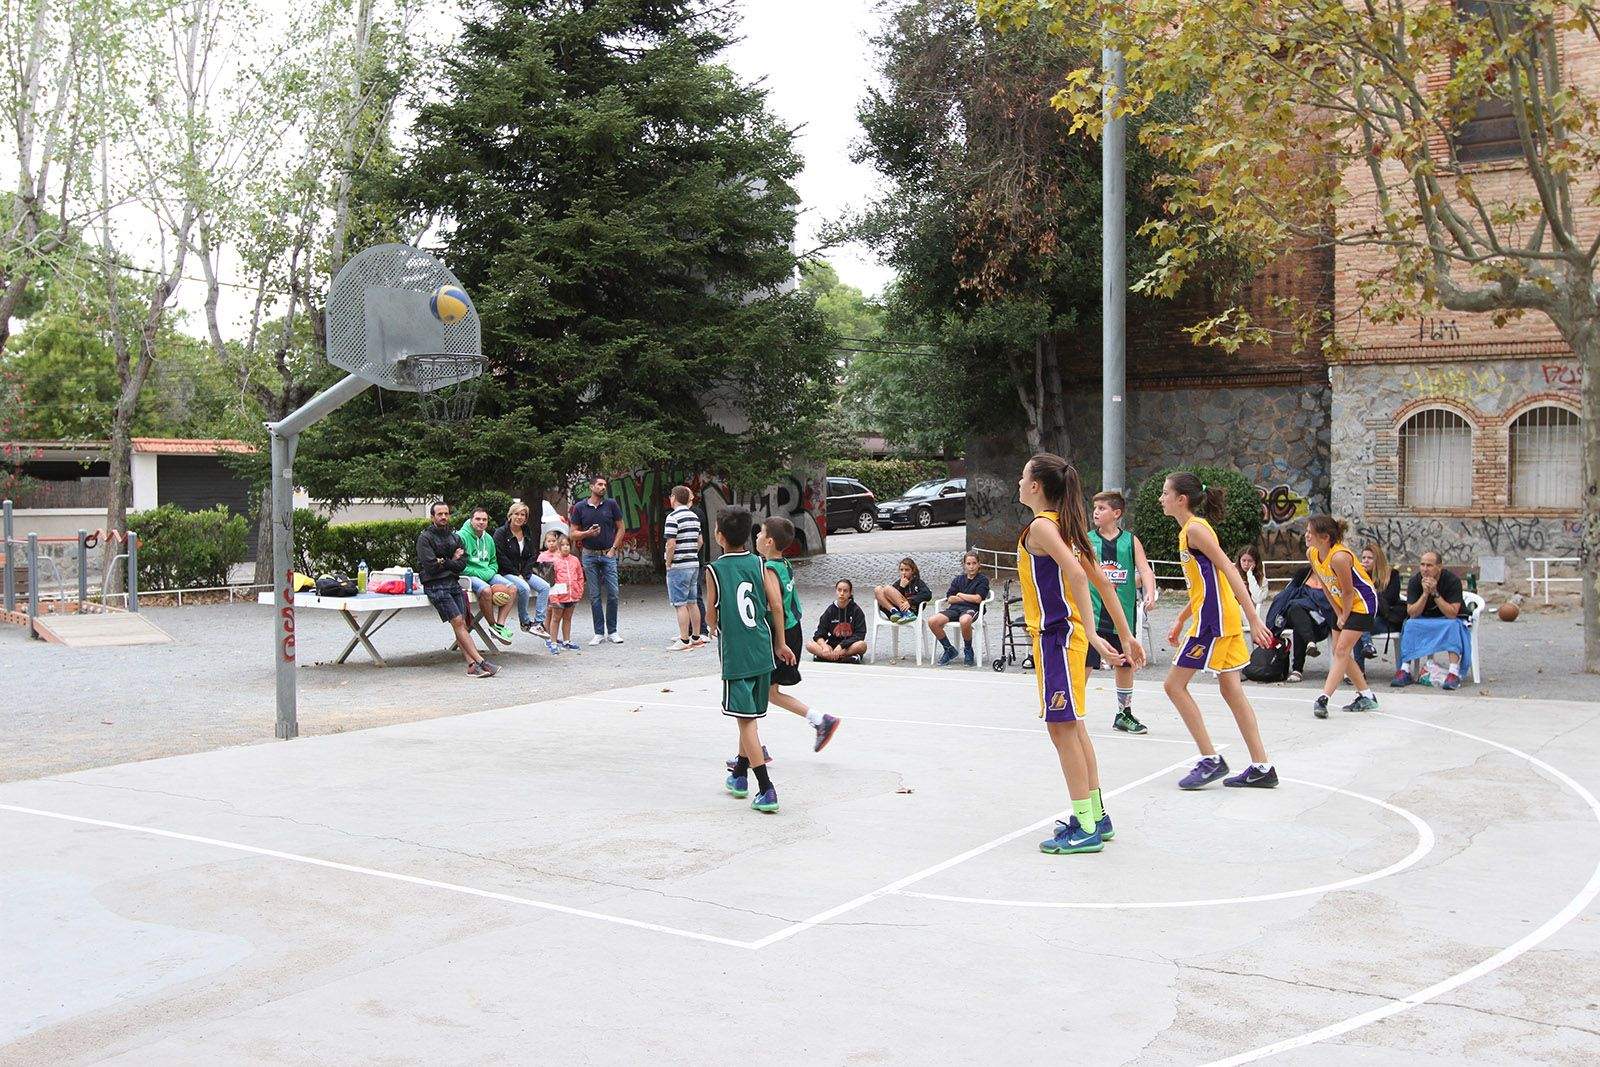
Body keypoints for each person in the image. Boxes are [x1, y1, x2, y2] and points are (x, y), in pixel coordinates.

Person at [1017, 454, 1145, 856]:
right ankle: (1096, 816)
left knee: (1062, 731)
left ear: (1036, 486)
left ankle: (1085, 827)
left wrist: (1092, 631)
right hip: (1064, 638)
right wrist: (1126, 635)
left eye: (1023, 477)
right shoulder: (1067, 527)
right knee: (1074, 728)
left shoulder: (1043, 526)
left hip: (1057, 637)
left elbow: (1077, 575)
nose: (1019, 483)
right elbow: (1104, 584)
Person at [1159, 472, 1277, 789]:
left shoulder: (1195, 529)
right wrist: (1181, 617)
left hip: (1214, 622)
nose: (1161, 498)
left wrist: (1254, 618)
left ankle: (1210, 759)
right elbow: (1205, 583)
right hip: (1219, 617)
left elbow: (1229, 569)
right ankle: (1262, 766)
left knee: (1173, 686)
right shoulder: (1190, 530)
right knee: (1231, 690)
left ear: (1181, 499)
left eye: (1165, 493)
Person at [707, 507, 794, 814]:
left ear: (719, 536)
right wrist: (780, 643)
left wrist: (712, 624)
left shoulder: (714, 570)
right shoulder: (760, 564)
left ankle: (766, 788)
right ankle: (740, 774)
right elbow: (776, 606)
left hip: (737, 656)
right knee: (748, 716)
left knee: (746, 722)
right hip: (762, 650)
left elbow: (710, 616)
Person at [758, 516, 841, 750]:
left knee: (759, 691)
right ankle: (818, 720)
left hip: (782, 633)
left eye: (760, 532)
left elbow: (776, 606)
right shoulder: (784, 563)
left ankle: (752, 751)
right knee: (768, 692)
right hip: (793, 628)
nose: (757, 536)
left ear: (769, 542)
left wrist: (779, 642)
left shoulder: (769, 568)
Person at [1087, 490, 1159, 733]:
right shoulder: (1087, 540)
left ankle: (1124, 713)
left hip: (1123, 617)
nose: (1096, 512)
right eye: (1095, 508)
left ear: (1116, 513)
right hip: (1093, 616)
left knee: (1126, 664)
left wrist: (1150, 592)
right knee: (1085, 663)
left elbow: (1145, 570)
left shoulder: (1130, 541)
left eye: (1102, 508)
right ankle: (1073, 710)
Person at [1305, 515, 1381, 718]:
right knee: (1340, 652)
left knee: (1341, 650)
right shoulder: (1312, 553)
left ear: (1325, 537)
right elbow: (1326, 586)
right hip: (1341, 603)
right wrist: (1338, 613)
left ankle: (1323, 698)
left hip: (1362, 603)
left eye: (1311, 532)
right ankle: (1367, 696)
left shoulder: (1339, 557)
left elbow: (1348, 591)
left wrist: (1344, 615)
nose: (1306, 535)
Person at [416, 501, 497, 677]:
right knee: (459, 622)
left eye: (446, 514)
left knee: (462, 624)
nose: (443, 517)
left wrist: (443, 561)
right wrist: (451, 559)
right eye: (439, 514)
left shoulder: (455, 537)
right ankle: (481, 662)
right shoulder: (425, 538)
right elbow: (430, 567)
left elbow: (462, 565)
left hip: (453, 583)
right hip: (435, 585)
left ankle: (472, 666)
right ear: (432, 517)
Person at [1393, 550, 1469, 690]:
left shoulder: (1452, 581)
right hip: (1424, 618)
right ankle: (1405, 669)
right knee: (1410, 624)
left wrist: (1434, 593)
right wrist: (1425, 594)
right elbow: (1412, 613)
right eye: (1422, 565)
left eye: (1429, 565)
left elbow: (1452, 613)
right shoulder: (1415, 581)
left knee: (1452, 625)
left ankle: (1453, 672)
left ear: (1439, 567)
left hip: (1447, 618)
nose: (1425, 569)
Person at [494, 501, 557, 652]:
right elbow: (500, 556)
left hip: (524, 571)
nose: (520, 517)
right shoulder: (501, 533)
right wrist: (517, 574)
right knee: (524, 588)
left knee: (544, 587)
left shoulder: (527, 531)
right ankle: (525, 622)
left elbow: (532, 554)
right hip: (507, 572)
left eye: (523, 515)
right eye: (516, 514)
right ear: (510, 515)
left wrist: (525, 572)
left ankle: (538, 624)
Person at [570, 475, 625, 645]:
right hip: (589, 555)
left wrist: (614, 548)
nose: (603, 487)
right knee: (594, 595)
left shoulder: (611, 504)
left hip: (608, 554)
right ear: (591, 487)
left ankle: (613, 631)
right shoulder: (580, 507)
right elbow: (572, 534)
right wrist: (587, 533)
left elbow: (621, 528)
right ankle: (599, 632)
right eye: (599, 484)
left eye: (604, 485)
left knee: (613, 593)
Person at [1263, 565, 1334, 683]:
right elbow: (1288, 593)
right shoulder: (1304, 573)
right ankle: (1310, 643)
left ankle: (1297, 669)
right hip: (1300, 614)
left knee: (1299, 625)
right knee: (1295, 608)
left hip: (1322, 619)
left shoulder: (1333, 575)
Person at [459, 506, 519, 643]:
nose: (481, 522)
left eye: (484, 520)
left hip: (487, 573)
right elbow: (461, 566)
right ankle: (492, 625)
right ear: (471, 520)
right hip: (468, 575)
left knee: (512, 588)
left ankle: (500, 625)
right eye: (478, 519)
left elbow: (493, 563)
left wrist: (488, 573)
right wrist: (482, 574)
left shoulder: (489, 539)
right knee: (486, 590)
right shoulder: (461, 537)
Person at [663, 485, 707, 651]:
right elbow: (700, 541)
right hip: (693, 563)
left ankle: (684, 639)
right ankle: (696, 636)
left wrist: (668, 562)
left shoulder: (672, 517)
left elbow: (671, 544)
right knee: (692, 602)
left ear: (674, 498)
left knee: (680, 604)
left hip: (679, 565)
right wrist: (692, 553)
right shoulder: (694, 516)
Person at [928, 551, 991, 667]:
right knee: (933, 621)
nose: (971, 567)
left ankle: (968, 649)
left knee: (965, 620)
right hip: (955, 609)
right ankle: (949, 649)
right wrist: (967, 598)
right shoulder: (958, 579)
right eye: (968, 564)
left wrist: (960, 595)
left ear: (979, 564)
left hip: (972, 609)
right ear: (964, 565)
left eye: (974, 563)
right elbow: (950, 599)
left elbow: (978, 599)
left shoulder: (982, 580)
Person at [540, 532, 585, 650]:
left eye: (568, 545)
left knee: (568, 618)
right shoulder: (554, 561)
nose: (565, 547)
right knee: (555, 619)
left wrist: (579, 591)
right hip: (558, 596)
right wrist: (553, 597)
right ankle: (553, 642)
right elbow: (551, 581)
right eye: (563, 545)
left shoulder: (575, 560)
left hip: (572, 595)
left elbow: (580, 576)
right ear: (558, 547)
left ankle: (566, 641)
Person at [807, 580, 869, 663]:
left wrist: (841, 646)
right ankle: (843, 657)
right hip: (832, 647)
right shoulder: (830, 610)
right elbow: (819, 634)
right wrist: (824, 646)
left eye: (845, 591)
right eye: (839, 590)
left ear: (850, 593)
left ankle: (826, 657)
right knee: (809, 645)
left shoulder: (856, 611)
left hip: (848, 647)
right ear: (836, 591)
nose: (842, 593)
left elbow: (860, 635)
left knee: (862, 645)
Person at [873, 557, 931, 622]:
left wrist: (910, 602)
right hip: (896, 613)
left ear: (912, 571)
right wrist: (901, 587)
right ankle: (895, 612)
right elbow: (891, 598)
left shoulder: (917, 582)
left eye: (907, 570)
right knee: (878, 589)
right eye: (901, 570)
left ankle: (907, 613)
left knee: (887, 588)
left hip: (911, 610)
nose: (903, 572)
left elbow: (927, 594)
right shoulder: (898, 583)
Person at [1238, 545, 1270, 616]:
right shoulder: (1235, 575)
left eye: (1250, 561)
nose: (1246, 564)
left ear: (1255, 562)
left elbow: (1258, 599)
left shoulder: (1262, 580)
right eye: (1243, 560)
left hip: (1252, 615)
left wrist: (1250, 575)